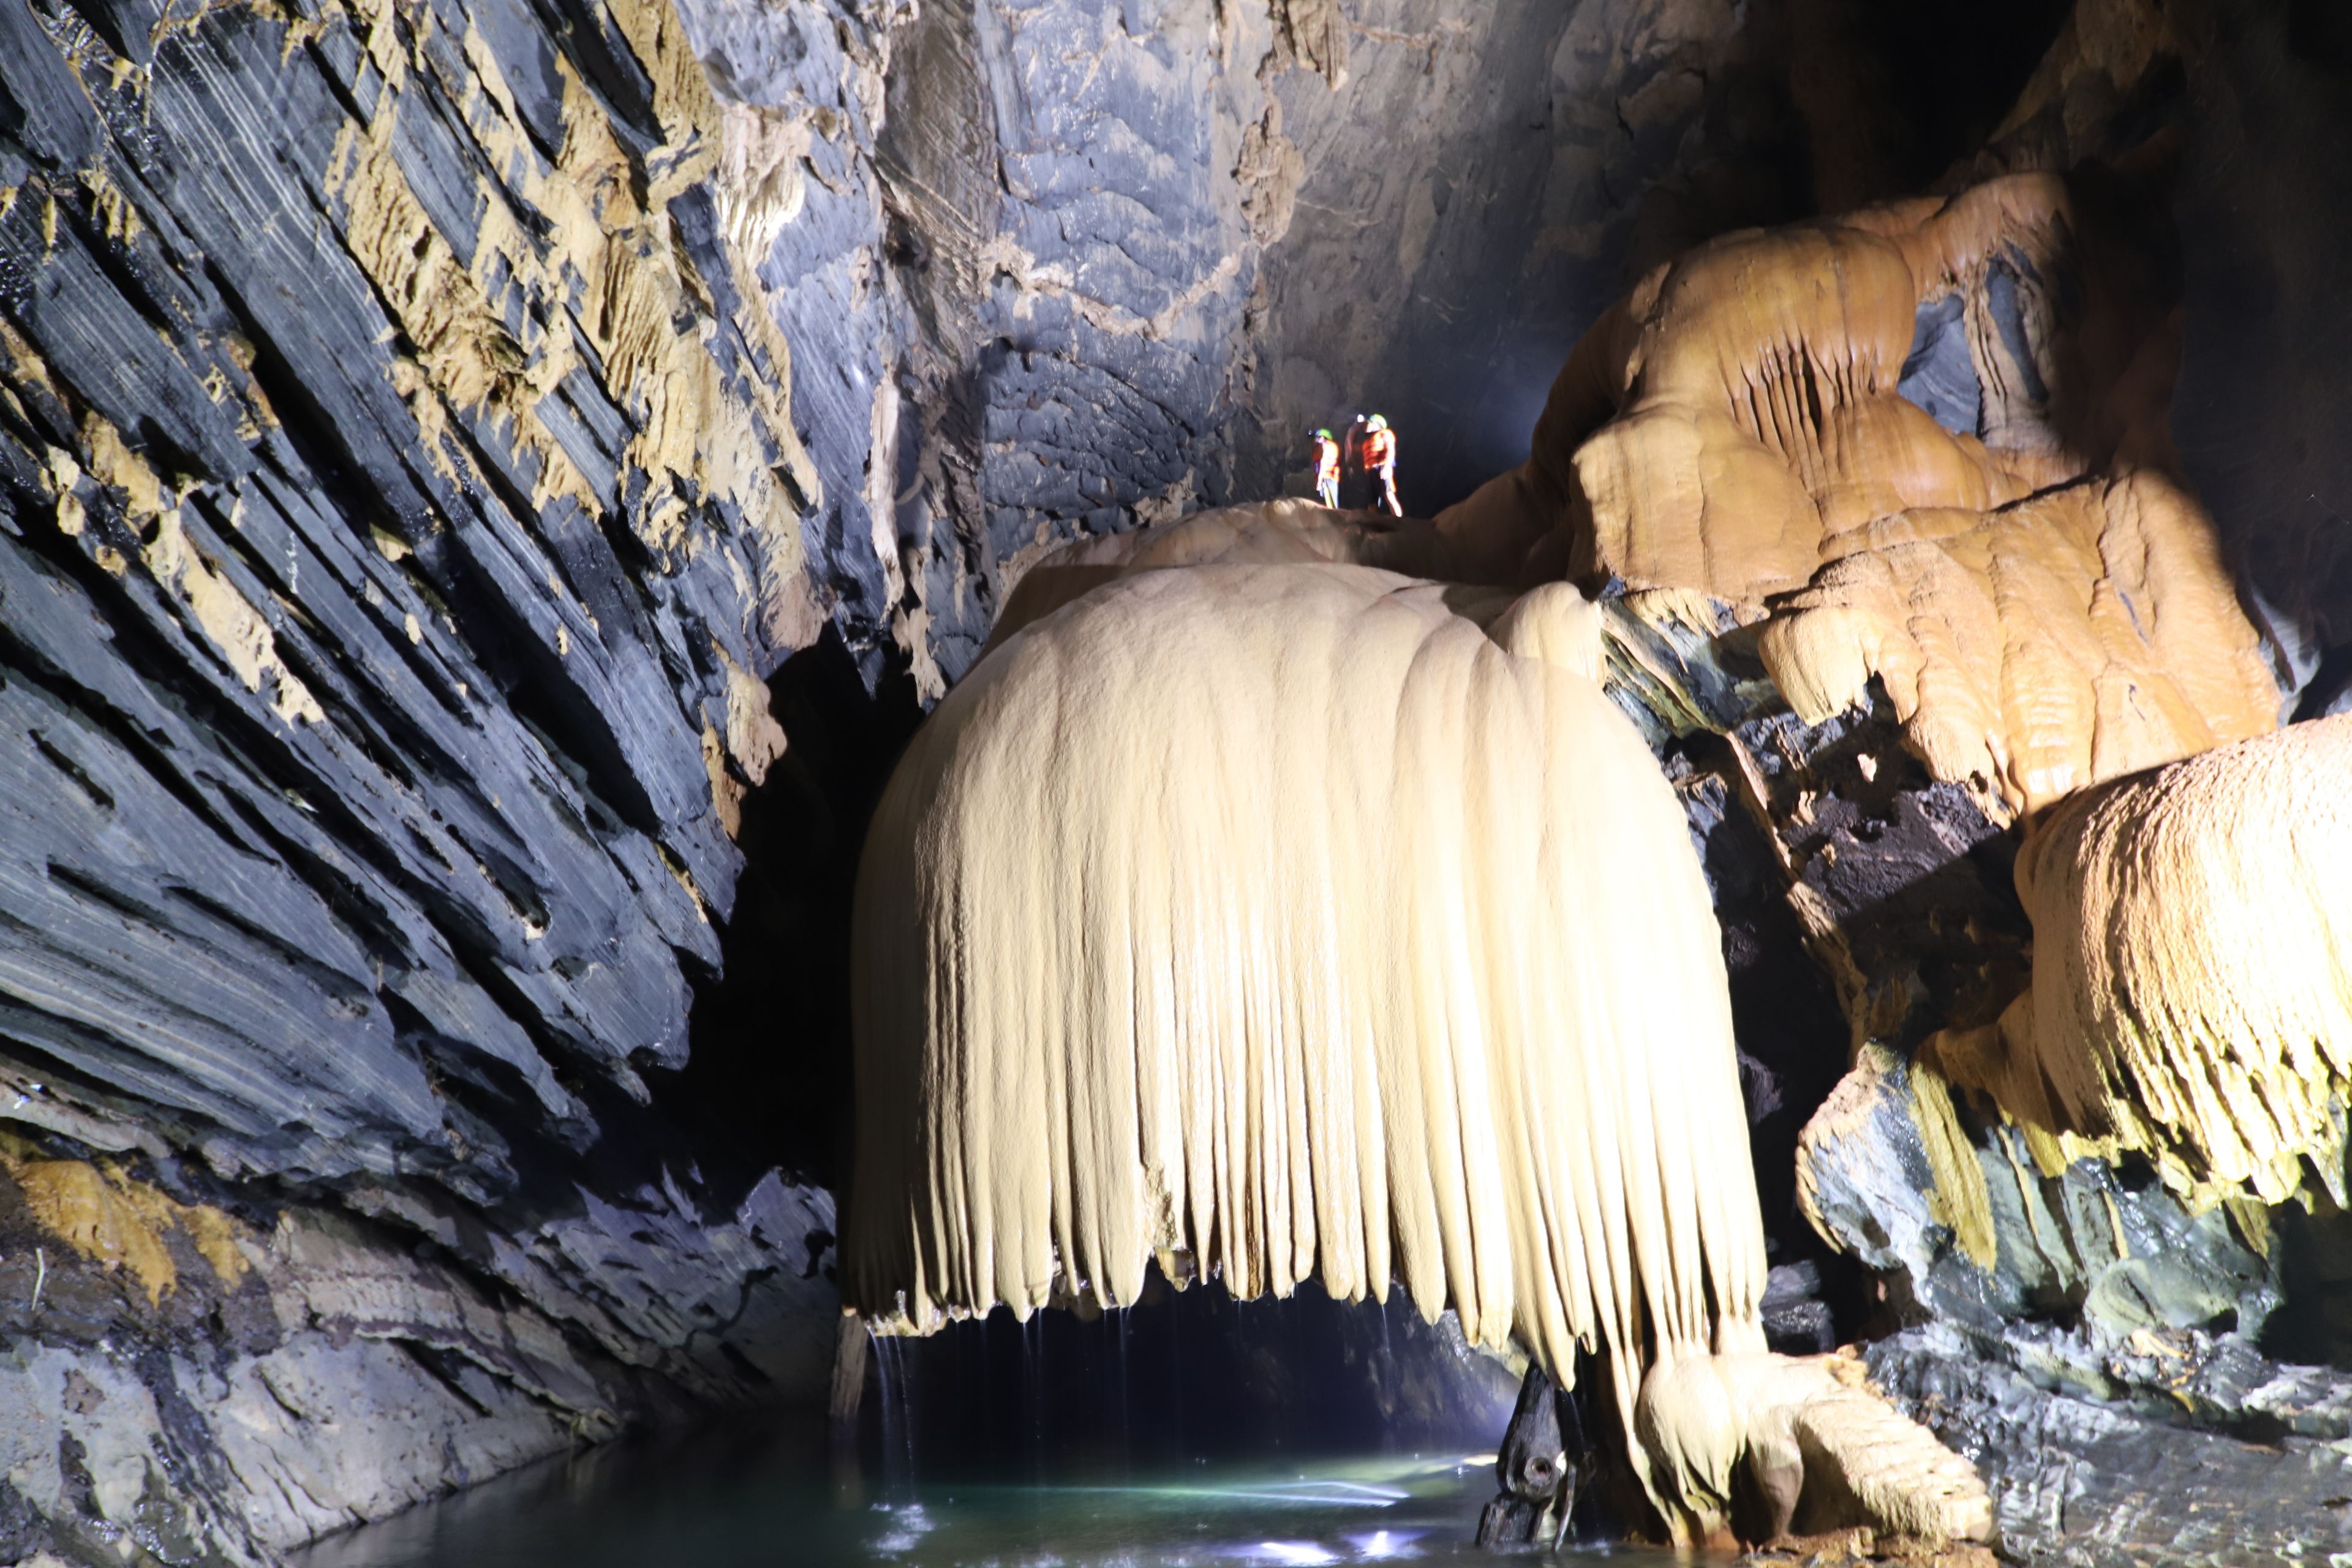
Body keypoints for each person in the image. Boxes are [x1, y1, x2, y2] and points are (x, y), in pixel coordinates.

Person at [1362, 413, 1400, 515]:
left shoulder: (1385, 434)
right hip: (1371, 472)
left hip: (1382, 468)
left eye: (1368, 424)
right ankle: (1375, 525)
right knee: (1371, 502)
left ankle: (1401, 523)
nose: (1365, 426)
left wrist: (1387, 466)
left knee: (1389, 495)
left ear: (1377, 424)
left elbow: (1391, 450)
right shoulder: (1367, 442)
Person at [1311, 428, 1341, 507]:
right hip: (1330, 478)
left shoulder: (1325, 445)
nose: (1315, 439)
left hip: (1327, 478)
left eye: (1318, 437)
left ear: (1324, 437)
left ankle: (1335, 519)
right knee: (1331, 505)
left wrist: (1319, 480)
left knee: (1331, 506)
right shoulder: (1331, 446)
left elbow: (1323, 462)